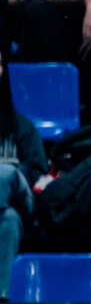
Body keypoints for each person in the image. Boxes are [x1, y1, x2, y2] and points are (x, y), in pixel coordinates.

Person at [0, 59, 50, 288]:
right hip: (8, 213)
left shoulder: (20, 126)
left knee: (4, 172)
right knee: (8, 221)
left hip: (22, 198)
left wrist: (15, 172)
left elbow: (39, 175)